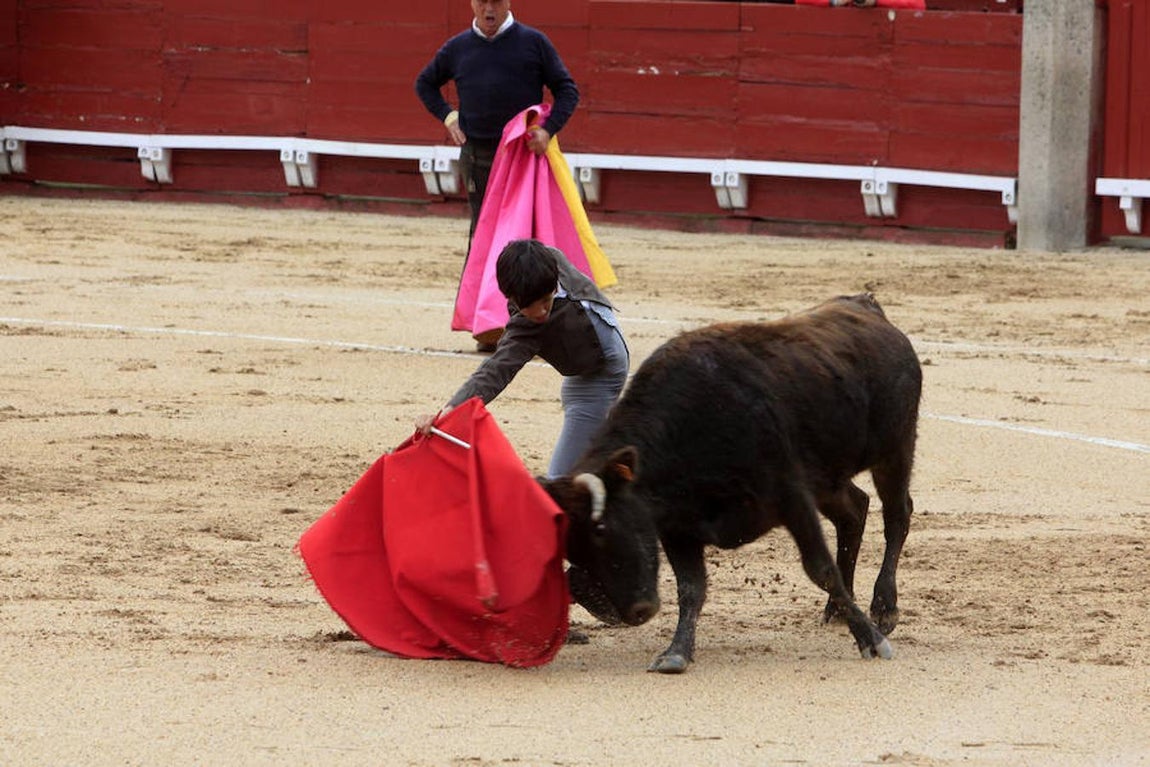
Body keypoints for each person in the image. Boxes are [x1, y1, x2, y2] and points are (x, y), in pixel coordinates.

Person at [415, 0, 580, 351]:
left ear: (508, 2)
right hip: (479, 157)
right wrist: (448, 117)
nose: (488, 9)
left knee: (528, 240)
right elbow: (425, 83)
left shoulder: (533, 42)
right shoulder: (458, 47)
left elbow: (567, 89)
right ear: (472, 3)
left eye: (496, 1)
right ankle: (490, 326)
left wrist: (548, 130)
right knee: (484, 237)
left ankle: (541, 324)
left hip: (522, 159)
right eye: (482, 1)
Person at [416, 239, 628, 479]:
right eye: (530, 306)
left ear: (553, 282)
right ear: (512, 298)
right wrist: (449, 411)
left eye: (546, 300)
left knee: (559, 477)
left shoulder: (546, 266)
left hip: (601, 373)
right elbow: (494, 372)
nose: (541, 312)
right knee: (581, 417)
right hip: (590, 362)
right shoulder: (547, 265)